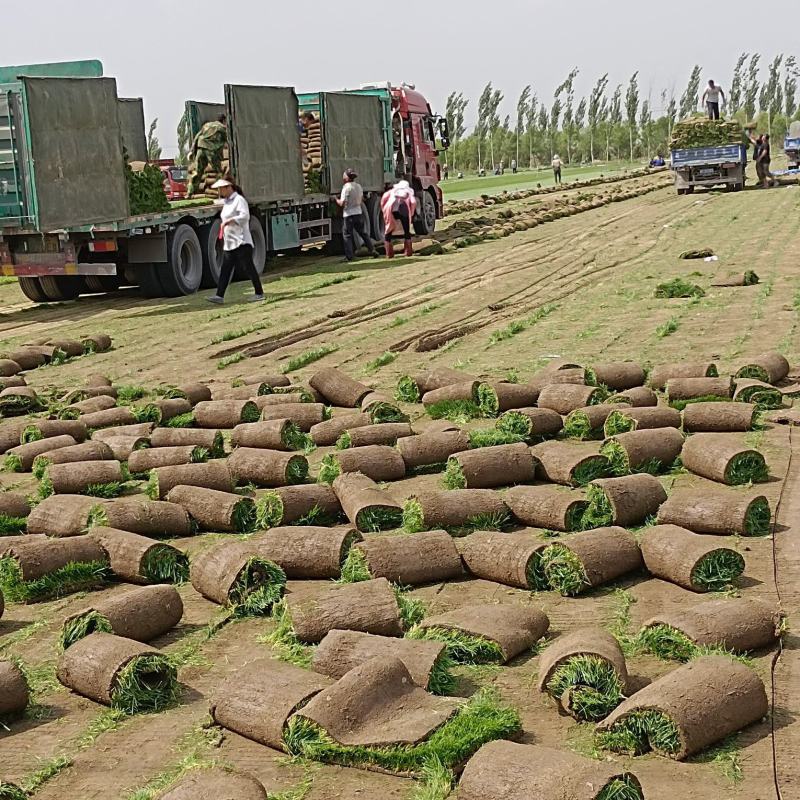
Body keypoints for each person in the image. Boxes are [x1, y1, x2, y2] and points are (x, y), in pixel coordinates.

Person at [206, 177, 264, 305]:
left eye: (222, 189)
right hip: (230, 243)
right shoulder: (227, 202)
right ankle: (219, 295)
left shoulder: (239, 200)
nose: (220, 191)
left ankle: (259, 293)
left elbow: (245, 216)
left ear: (229, 187)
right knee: (225, 270)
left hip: (242, 241)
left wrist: (230, 221)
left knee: (248, 268)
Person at [335, 169, 377, 261]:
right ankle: (372, 249)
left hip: (348, 214)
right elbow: (361, 199)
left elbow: (342, 203)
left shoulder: (346, 188)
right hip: (358, 213)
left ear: (346, 178)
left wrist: (335, 199)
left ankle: (349, 256)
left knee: (347, 235)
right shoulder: (358, 186)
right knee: (363, 233)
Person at [187, 114, 227, 197]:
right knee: (218, 172)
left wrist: (192, 151)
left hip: (200, 148)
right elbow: (228, 141)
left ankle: (190, 193)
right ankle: (221, 192)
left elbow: (197, 137)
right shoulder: (222, 128)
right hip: (211, 150)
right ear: (224, 121)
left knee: (197, 172)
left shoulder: (207, 125)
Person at [381, 180, 417, 258]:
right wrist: (412, 212)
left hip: (391, 210)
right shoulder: (408, 194)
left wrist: (384, 209)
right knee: (407, 231)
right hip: (404, 210)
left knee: (388, 232)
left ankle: (389, 253)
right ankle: (408, 252)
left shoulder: (391, 192)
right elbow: (413, 202)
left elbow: (383, 199)